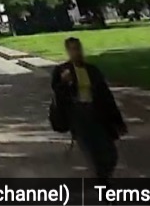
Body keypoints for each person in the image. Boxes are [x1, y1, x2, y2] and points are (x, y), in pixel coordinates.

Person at [51, 36, 127, 182]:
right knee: (92, 154)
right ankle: (103, 186)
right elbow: (58, 96)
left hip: (97, 115)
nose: (76, 52)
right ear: (68, 51)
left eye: (78, 48)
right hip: (79, 118)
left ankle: (103, 178)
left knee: (111, 153)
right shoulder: (62, 71)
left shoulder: (92, 70)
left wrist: (118, 121)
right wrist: (64, 83)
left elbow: (106, 96)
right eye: (72, 49)